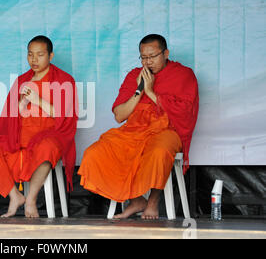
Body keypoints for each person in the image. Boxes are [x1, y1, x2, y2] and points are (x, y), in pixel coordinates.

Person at [78, 34, 199, 219]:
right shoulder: (135, 75)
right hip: (134, 131)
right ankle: (136, 200)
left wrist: (150, 92)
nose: (148, 62)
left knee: (158, 152)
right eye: (144, 57)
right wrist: (139, 90)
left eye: (152, 56)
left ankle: (152, 202)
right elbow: (120, 115)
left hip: (167, 131)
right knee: (96, 152)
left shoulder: (183, 74)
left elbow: (183, 113)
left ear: (165, 53)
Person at [0, 35, 78, 218]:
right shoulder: (22, 80)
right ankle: (15, 196)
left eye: (40, 55)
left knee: (48, 147)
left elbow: (64, 114)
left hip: (49, 136)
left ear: (50, 56)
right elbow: (10, 119)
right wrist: (20, 106)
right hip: (21, 139)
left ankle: (31, 200)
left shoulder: (64, 80)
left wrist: (37, 100)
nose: (34, 60)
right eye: (30, 55)